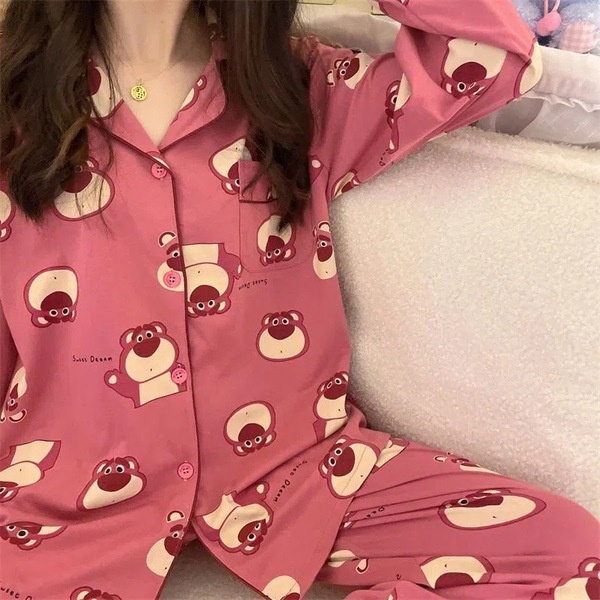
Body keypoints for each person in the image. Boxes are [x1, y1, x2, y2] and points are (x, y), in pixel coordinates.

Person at [0, 1, 598, 599]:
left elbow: (493, 55)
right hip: (65, 500)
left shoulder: (298, 86)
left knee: (570, 555)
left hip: (302, 475)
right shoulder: (13, 102)